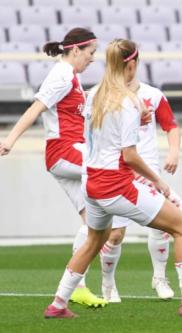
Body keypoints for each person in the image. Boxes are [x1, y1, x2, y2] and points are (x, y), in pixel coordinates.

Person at [43, 39, 182, 318]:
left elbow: (98, 135)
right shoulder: (127, 101)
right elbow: (129, 156)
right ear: (132, 64)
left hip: (91, 184)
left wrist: (134, 122)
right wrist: (158, 180)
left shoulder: (94, 95)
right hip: (116, 185)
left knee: (94, 240)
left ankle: (57, 305)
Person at [0, 28, 107, 308]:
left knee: (96, 225)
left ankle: (76, 289)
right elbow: (36, 108)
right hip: (64, 152)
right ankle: (173, 211)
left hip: (69, 153)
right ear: (75, 51)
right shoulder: (61, 75)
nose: (93, 59)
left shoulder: (70, 76)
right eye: (91, 53)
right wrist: (10, 139)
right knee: (114, 169)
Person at [100, 76, 182, 302]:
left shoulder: (153, 95)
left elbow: (171, 125)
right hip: (118, 168)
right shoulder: (106, 96)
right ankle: (108, 284)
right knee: (115, 234)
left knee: (162, 226)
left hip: (148, 167)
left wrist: (173, 152)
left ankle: (160, 278)